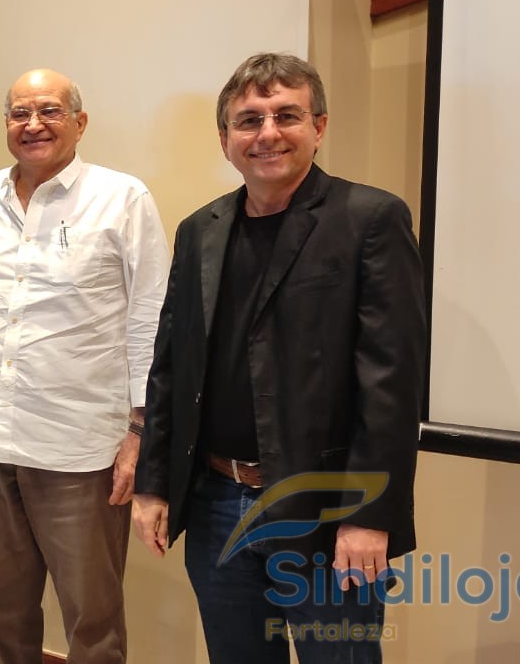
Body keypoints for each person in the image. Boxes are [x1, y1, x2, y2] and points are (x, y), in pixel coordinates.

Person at [132, 52, 426, 664]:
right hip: (216, 504)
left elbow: (392, 385)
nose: (267, 133)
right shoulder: (200, 230)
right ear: (225, 139)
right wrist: (153, 484)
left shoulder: (370, 219)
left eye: (286, 115)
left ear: (319, 127)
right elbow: (171, 367)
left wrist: (371, 516)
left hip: (326, 511)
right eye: (249, 120)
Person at [0, 68, 169, 663]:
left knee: (91, 618)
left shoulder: (122, 198)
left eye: (49, 110)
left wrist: (140, 431)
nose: (33, 124)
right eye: (20, 113)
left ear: (80, 122)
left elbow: (151, 318)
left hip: (79, 449)